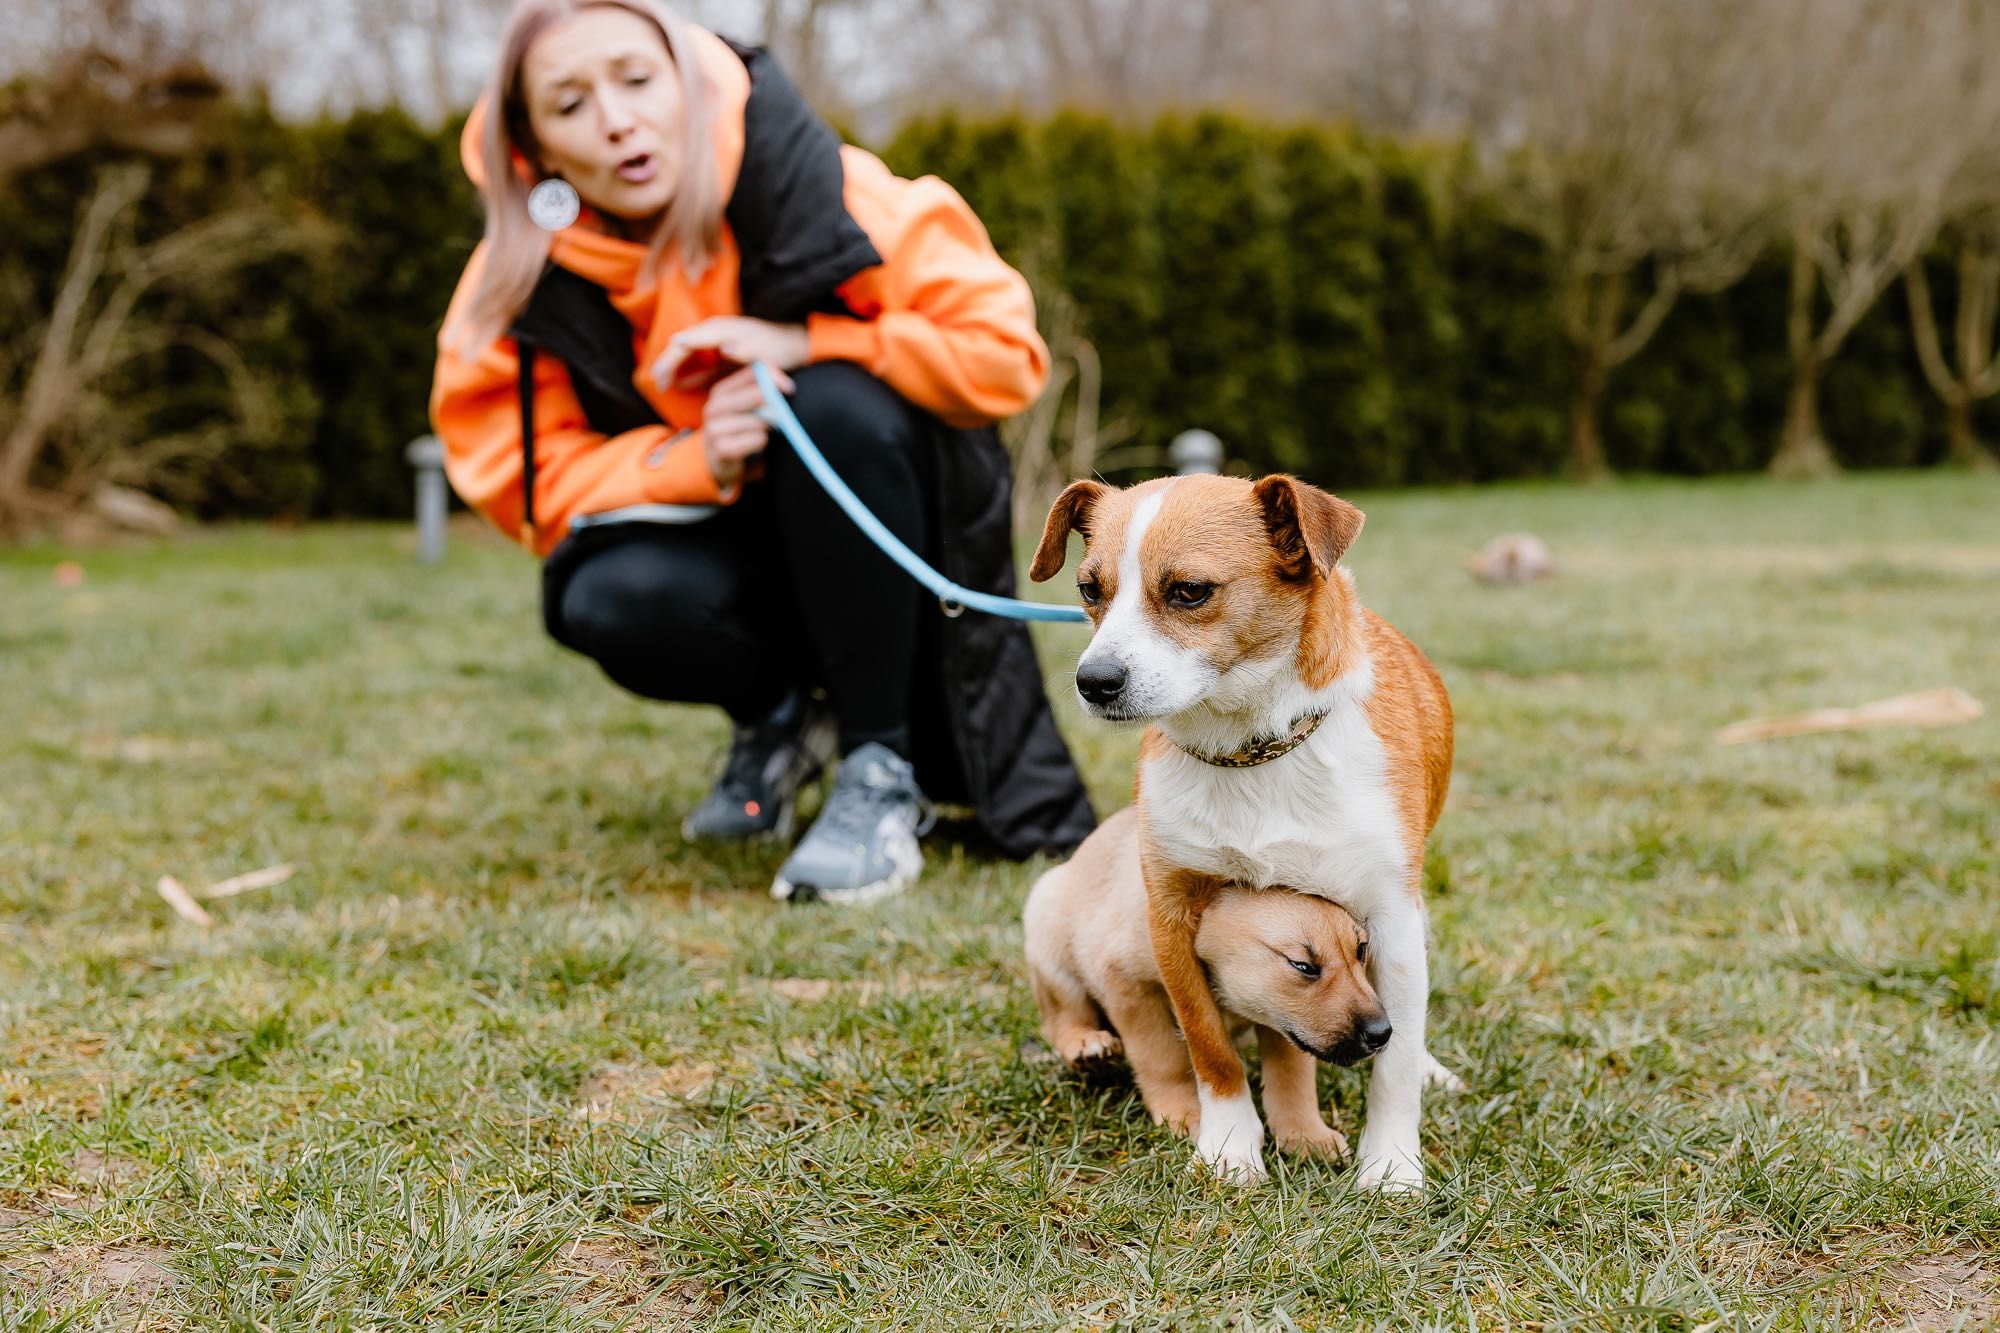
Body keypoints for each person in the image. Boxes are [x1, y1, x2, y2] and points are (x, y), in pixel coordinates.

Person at [430, 0, 1094, 905]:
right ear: (533, 148)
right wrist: (696, 454)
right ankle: (780, 722)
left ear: (687, 84)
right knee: (600, 596)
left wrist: (813, 343)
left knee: (830, 405)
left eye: (635, 79)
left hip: (889, 536)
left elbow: (1006, 354)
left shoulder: (826, 186)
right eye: (571, 103)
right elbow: (525, 484)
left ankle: (878, 767)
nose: (618, 119)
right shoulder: (514, 278)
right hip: (726, 550)